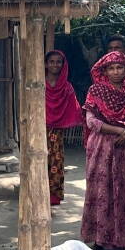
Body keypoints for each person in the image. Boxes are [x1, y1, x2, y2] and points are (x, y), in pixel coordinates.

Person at [81, 50, 125, 250]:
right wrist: (120, 131)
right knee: (101, 192)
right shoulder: (96, 90)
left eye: (120, 67)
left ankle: (123, 243)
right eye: (111, 68)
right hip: (102, 147)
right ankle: (100, 241)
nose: (116, 71)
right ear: (105, 70)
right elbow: (91, 121)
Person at [46, 50, 82, 206]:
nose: (55, 64)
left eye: (58, 61)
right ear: (46, 64)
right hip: (37, 129)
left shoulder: (66, 87)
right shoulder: (38, 84)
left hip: (56, 132)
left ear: (63, 64)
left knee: (56, 162)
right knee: (38, 162)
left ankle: (52, 198)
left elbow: (74, 108)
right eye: (52, 61)